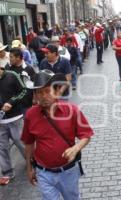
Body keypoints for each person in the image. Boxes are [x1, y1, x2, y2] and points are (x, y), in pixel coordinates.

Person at [21, 70, 94, 199]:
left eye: (47, 91)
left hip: (68, 172)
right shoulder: (30, 115)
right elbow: (29, 143)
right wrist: (29, 167)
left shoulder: (71, 110)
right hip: (43, 173)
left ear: (55, 91)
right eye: (39, 92)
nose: (43, 96)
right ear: (35, 96)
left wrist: (75, 148)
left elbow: (86, 135)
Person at [0, 66, 27, 185]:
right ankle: (7, 172)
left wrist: (11, 102)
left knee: (20, 142)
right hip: (1, 121)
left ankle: (32, 161)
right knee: (2, 147)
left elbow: (23, 91)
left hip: (15, 117)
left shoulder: (12, 75)